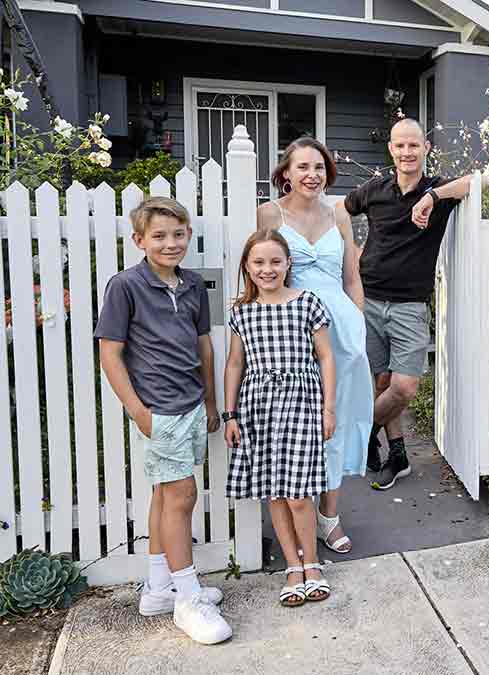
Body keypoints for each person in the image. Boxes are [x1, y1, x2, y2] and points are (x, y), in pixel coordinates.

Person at [95, 196, 230, 644]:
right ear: (139, 240)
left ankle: (158, 588)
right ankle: (188, 599)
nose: (170, 243)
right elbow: (110, 355)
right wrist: (138, 410)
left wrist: (211, 404)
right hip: (159, 409)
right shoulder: (125, 286)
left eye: (177, 234)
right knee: (182, 496)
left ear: (188, 235)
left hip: (191, 405)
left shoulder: (192, 286)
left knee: (163, 494)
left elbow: (204, 346)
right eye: (158, 236)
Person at [338, 117, 472, 490]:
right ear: (391, 150)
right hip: (368, 299)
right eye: (400, 145)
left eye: (414, 145)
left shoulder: (438, 189)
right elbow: (339, 210)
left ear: (425, 149)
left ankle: (363, 434)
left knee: (404, 387)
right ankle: (397, 454)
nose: (407, 152)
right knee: (381, 382)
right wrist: (351, 253)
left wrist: (431, 197)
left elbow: (476, 182)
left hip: (409, 305)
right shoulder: (375, 190)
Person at [259, 137, 372, 555]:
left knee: (337, 421)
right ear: (286, 173)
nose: (312, 175)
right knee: (298, 425)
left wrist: (357, 323)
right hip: (290, 331)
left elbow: (352, 279)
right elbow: (260, 270)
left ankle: (330, 517)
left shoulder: (338, 213)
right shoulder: (269, 214)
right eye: (303, 167)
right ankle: (296, 511)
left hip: (342, 332)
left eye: (319, 168)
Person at [222, 229, 337, 606]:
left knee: (299, 494)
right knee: (274, 491)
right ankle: (292, 566)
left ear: (289, 263)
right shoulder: (241, 311)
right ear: (247, 267)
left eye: (275, 261)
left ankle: (313, 564)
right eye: (258, 262)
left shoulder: (307, 302)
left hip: (302, 402)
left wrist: (328, 408)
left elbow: (325, 357)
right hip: (258, 406)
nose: (267, 269)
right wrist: (231, 414)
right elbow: (235, 363)